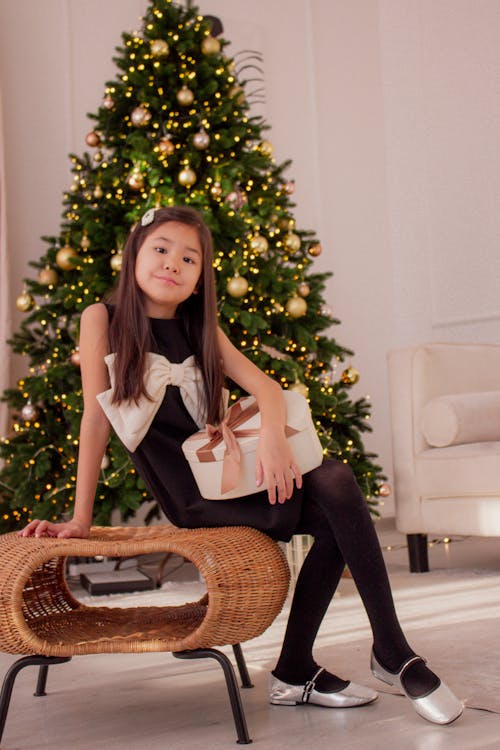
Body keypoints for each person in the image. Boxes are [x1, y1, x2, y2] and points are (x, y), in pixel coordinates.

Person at [18, 206, 463, 725]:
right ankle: (375, 655)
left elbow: (268, 389)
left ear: (199, 278)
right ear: (134, 255)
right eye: (161, 249)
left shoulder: (199, 325)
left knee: (338, 494)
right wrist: (79, 518)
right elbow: (94, 420)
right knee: (339, 500)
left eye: (189, 258)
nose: (172, 264)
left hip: (235, 472)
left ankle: (322, 664)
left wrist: (272, 439)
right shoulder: (102, 319)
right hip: (193, 495)